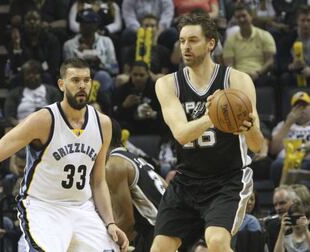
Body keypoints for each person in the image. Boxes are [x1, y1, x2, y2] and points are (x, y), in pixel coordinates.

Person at [0, 58, 129, 252]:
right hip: (44, 207)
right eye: (75, 80)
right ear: (61, 84)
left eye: (86, 80)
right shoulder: (43, 120)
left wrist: (109, 222)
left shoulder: (103, 124)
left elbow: (99, 181)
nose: (82, 85)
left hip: (83, 208)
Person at [151, 12, 264, 252]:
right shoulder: (167, 84)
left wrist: (249, 126)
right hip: (186, 180)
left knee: (217, 242)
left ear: (211, 43)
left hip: (228, 179)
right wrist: (213, 115)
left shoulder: (237, 81)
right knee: (160, 248)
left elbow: (257, 146)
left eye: (193, 40)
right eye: (182, 41)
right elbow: (181, 134)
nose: (185, 47)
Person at [106, 119, 167, 252]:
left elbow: (126, 221)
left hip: (159, 232)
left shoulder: (113, 165)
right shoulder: (134, 158)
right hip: (170, 226)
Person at [269, 91, 310, 186]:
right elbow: (273, 150)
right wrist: (288, 123)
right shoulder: (283, 125)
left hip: (308, 160)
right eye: (297, 107)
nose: (301, 110)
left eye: (304, 106)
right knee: (276, 165)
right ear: (291, 109)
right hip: (285, 162)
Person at [265, 185, 299, 252]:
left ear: (294, 202)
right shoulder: (271, 226)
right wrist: (282, 231)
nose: (278, 208)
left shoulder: (305, 222)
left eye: (282, 203)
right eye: (275, 205)